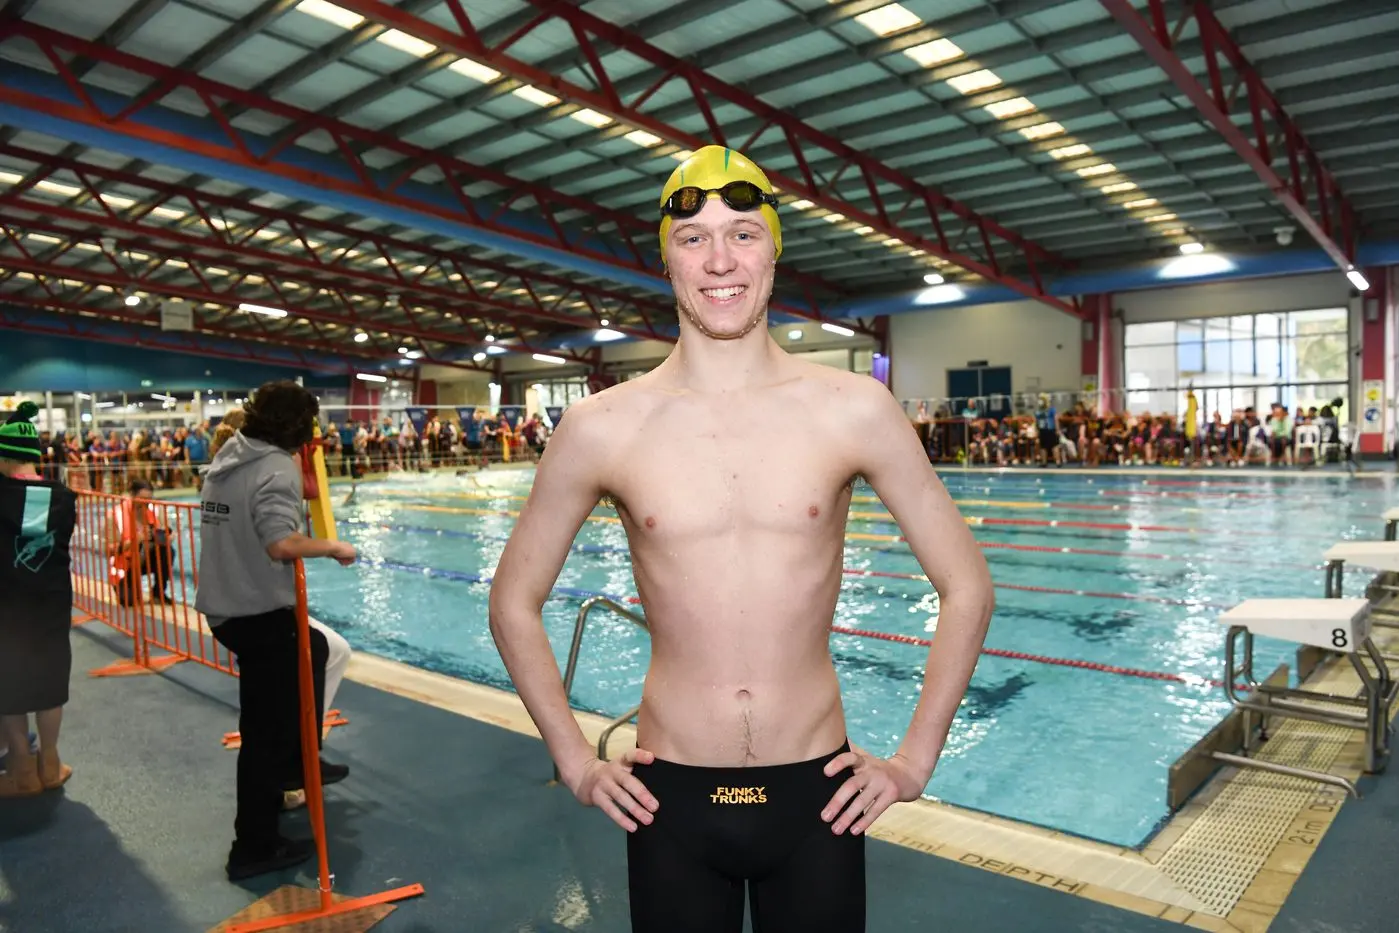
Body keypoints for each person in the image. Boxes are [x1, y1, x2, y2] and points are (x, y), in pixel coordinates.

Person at [488, 146, 995, 932]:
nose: (719, 259)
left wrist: (912, 760)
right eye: (694, 239)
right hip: (670, 796)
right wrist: (575, 761)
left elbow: (967, 586)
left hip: (818, 795)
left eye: (743, 233)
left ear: (774, 250)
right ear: (666, 259)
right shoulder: (601, 426)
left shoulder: (853, 408)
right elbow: (513, 601)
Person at [195, 381, 357, 881]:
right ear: (296, 427)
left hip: (225, 606)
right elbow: (280, 544)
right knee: (261, 735)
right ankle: (253, 848)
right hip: (254, 613)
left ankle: (297, 763)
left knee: (316, 648)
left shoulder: (229, 458)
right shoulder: (275, 467)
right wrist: (333, 547)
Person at [0, 401, 78, 797]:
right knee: (49, 683)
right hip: (51, 603)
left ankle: (22, 770)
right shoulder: (63, 499)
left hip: (7, 608)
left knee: (9, 684)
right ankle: (50, 762)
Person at [106, 477, 174, 607]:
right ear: (132, 495)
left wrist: (170, 536)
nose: (146, 504)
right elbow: (109, 550)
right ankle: (126, 586)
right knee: (128, 602)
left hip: (147, 560)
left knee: (169, 551)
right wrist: (135, 540)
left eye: (148, 500)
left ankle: (158, 593)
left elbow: (166, 531)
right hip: (126, 565)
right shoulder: (114, 515)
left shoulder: (155, 510)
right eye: (141, 500)